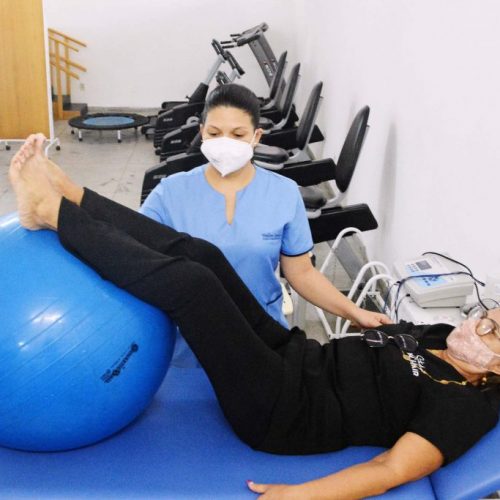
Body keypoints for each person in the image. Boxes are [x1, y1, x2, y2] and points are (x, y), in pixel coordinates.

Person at [9, 135, 500, 499]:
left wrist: (299, 495)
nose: (477, 324)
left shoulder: (466, 406)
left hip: (284, 411)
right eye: (487, 316)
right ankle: (73, 195)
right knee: (205, 257)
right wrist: (363, 318)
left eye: (493, 332)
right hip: (294, 356)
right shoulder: (441, 336)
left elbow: (392, 469)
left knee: (194, 288)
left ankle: (53, 214)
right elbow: (386, 342)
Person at [140, 84, 390, 351]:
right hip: (188, 338)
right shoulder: (169, 193)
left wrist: (354, 312)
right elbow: (137, 259)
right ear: (202, 133)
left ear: (256, 136)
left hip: (261, 336)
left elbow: (302, 273)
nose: (225, 143)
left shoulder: (283, 193)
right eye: (214, 133)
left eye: (238, 134)